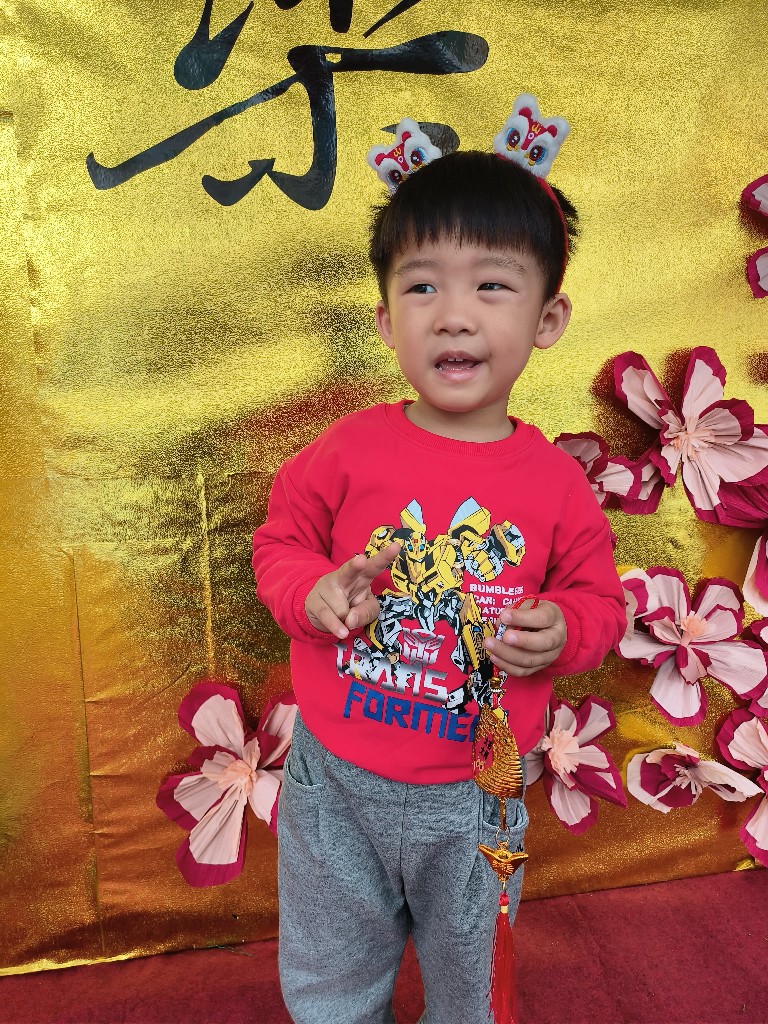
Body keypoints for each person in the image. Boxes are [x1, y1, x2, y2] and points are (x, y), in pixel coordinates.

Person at [252, 141, 626, 1024]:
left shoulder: (555, 484)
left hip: (475, 797)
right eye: (423, 287)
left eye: (491, 285)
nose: (453, 317)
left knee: (473, 986)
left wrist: (564, 630)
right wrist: (312, 595)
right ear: (386, 320)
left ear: (548, 317)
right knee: (330, 972)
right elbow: (280, 543)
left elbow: (601, 605)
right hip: (336, 782)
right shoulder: (345, 450)